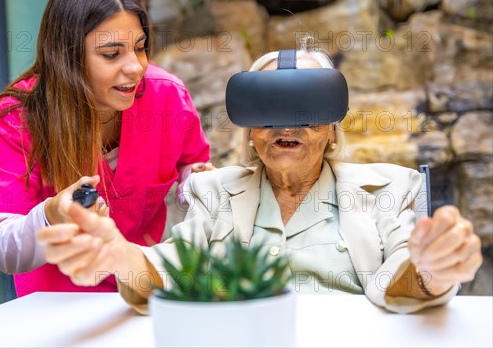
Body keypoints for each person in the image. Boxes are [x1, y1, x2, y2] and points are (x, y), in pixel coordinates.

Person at [36, 47, 482, 314]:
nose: (286, 127)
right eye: (268, 111)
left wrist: (433, 269)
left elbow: (406, 273)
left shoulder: (388, 190)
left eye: (306, 111)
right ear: (250, 132)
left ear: (330, 129)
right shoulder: (215, 195)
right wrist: (120, 255)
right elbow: (174, 271)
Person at [0, 0, 213, 296]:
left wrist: (198, 182)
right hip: (55, 312)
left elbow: (192, 167)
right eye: (111, 54)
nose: (135, 67)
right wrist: (52, 215)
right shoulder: (20, 120)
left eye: (140, 48)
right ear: (69, 59)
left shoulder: (167, 98)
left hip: (138, 294)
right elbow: (3, 250)